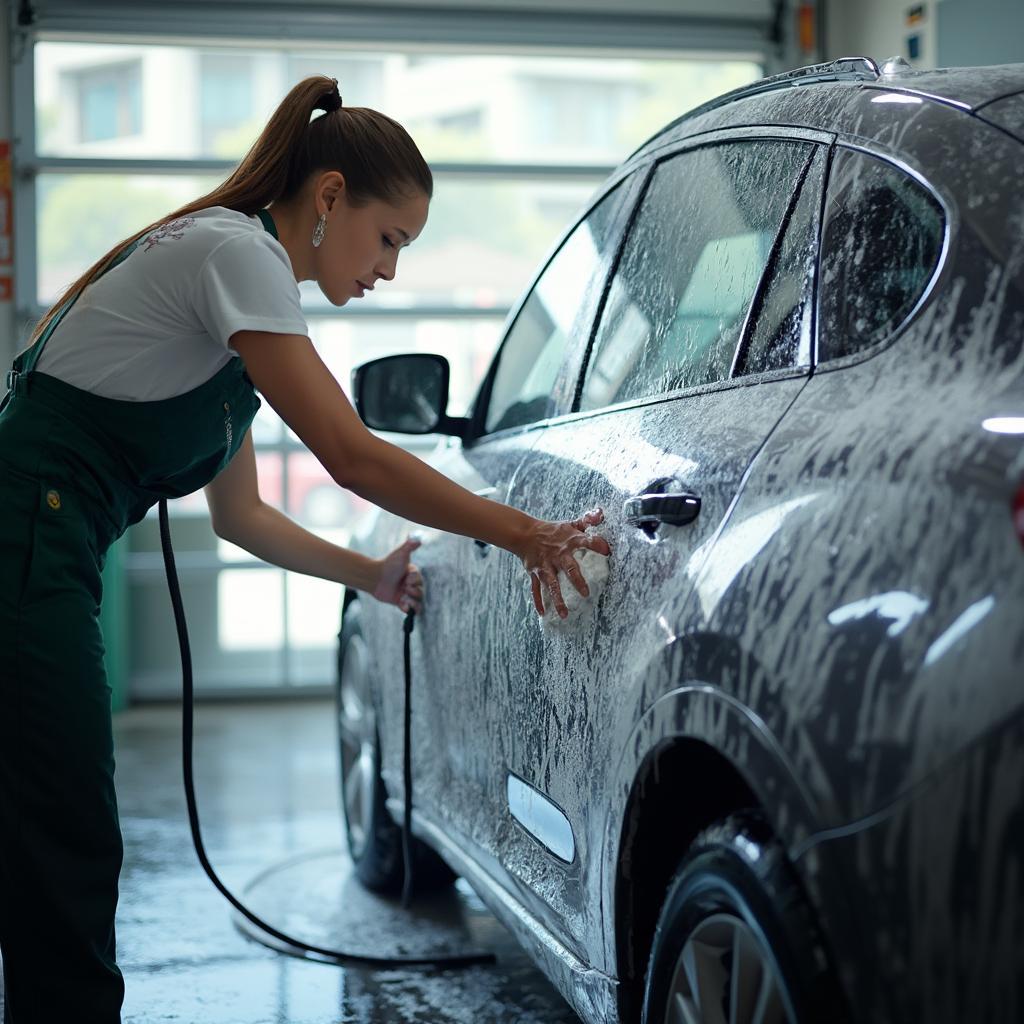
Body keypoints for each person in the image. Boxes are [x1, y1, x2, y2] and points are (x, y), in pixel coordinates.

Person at [0, 75, 611, 1022]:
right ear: (330, 197)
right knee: (64, 832)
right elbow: (354, 456)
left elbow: (241, 517)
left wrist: (370, 574)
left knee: (46, 823)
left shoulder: (239, 306)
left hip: (46, 544)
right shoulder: (236, 256)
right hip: (25, 538)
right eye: (390, 240)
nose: (389, 271)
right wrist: (525, 534)